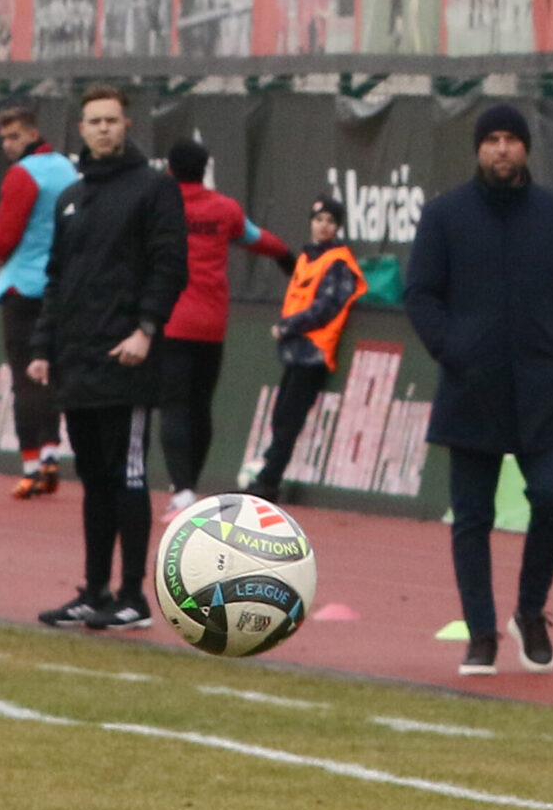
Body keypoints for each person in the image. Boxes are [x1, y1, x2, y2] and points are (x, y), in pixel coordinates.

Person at [406, 103, 553, 677]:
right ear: (478, 149)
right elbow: (421, 294)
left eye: (512, 138)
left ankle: (530, 612)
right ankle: (481, 632)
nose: (503, 148)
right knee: (472, 518)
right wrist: (454, 349)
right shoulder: (445, 215)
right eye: (492, 139)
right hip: (472, 388)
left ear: (527, 148)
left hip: (543, 388)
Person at [29, 87, 189, 633]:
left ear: (126, 125)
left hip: (127, 363)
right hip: (78, 363)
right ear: (81, 129)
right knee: (94, 480)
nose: (103, 129)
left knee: (128, 477)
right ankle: (94, 590)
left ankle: (132, 596)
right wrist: (44, 347)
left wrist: (146, 330)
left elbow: (170, 266)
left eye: (111, 120)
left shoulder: (154, 188)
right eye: (94, 121)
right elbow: (57, 278)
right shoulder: (71, 197)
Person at [160, 138, 294, 510]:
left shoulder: (159, 205)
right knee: (200, 405)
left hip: (170, 321)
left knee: (173, 406)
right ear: (206, 169)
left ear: (169, 169)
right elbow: (257, 239)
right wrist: (288, 258)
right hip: (211, 323)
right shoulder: (224, 209)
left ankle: (182, 491)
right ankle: (191, 484)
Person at [0, 101, 78, 498]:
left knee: (25, 378)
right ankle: (52, 452)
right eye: (4, 137)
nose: (8, 144)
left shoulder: (22, 174)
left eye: (14, 136)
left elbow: (3, 237)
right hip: (62, 287)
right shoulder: (68, 169)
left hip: (22, 288)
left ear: (33, 134)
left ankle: (31, 465)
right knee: (50, 371)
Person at [248, 196, 365, 497]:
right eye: (319, 219)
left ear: (338, 227)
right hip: (296, 350)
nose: (324, 226)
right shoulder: (307, 257)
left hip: (314, 351)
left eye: (330, 221)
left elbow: (326, 307)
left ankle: (268, 482)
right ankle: (266, 474)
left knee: (289, 419)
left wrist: (288, 326)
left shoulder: (338, 261)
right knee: (281, 415)